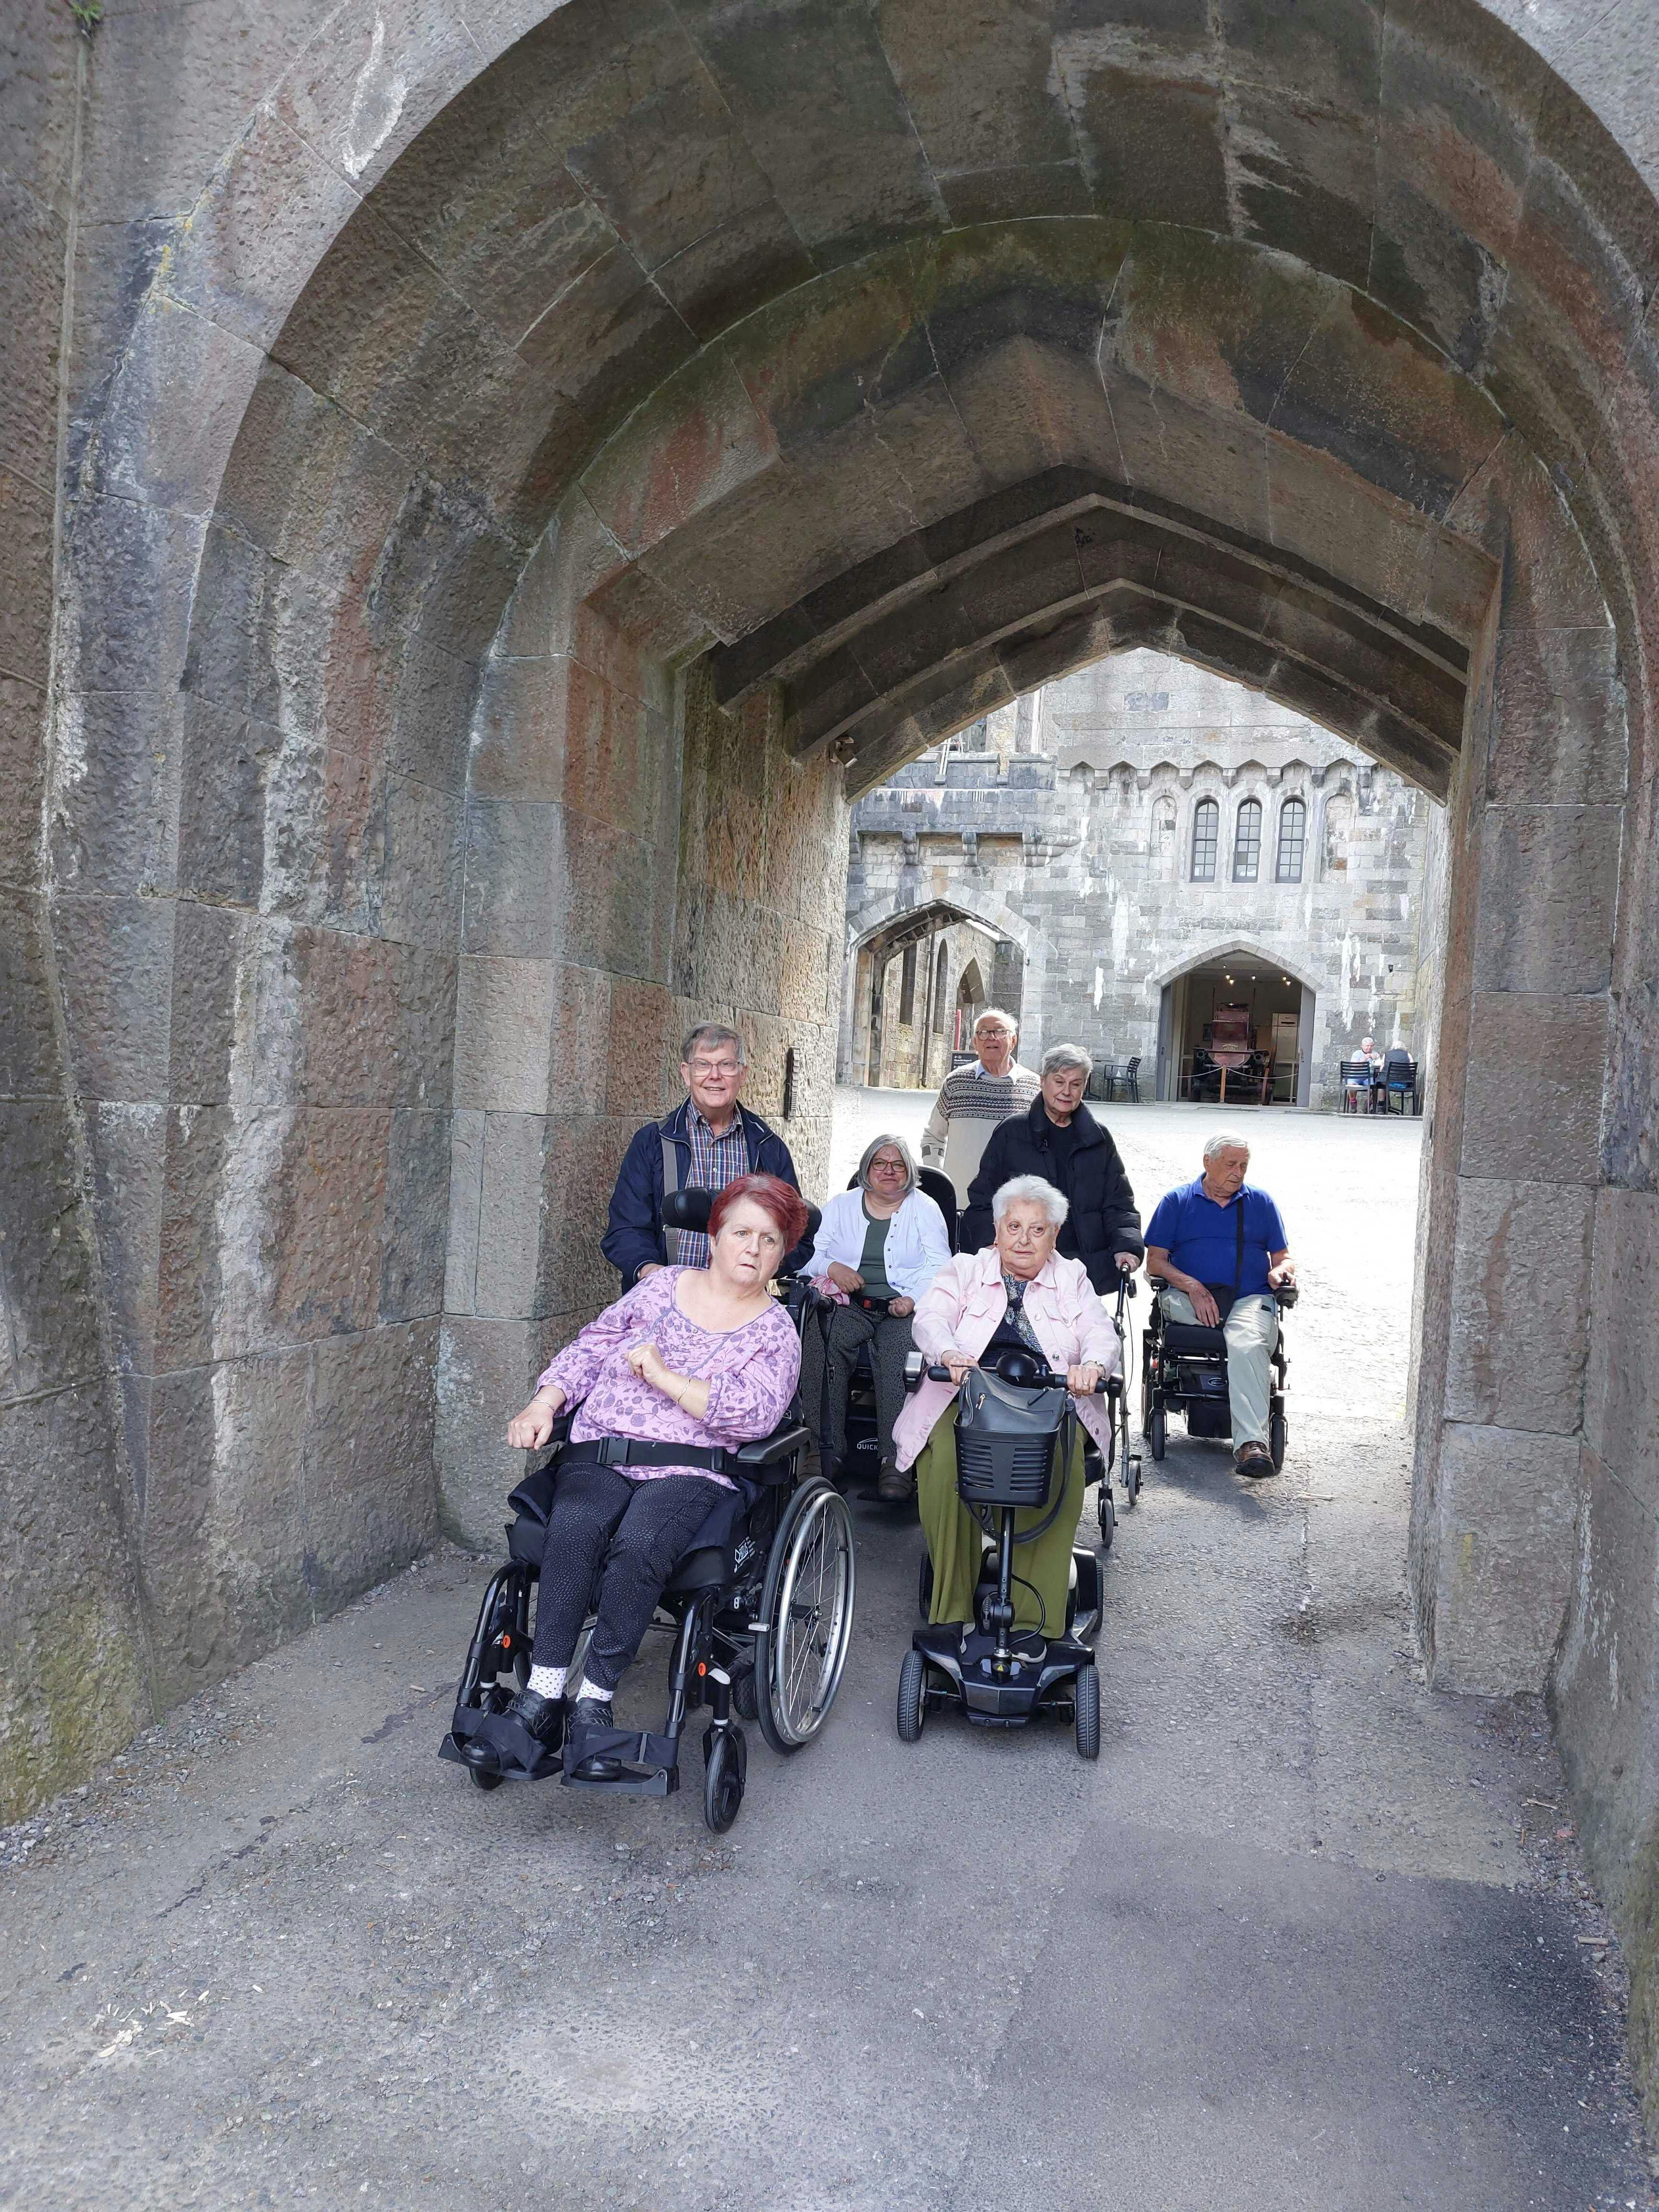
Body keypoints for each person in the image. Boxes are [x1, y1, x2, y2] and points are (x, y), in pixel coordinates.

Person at [479, 1173, 808, 1779]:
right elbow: (592, 1345)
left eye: (769, 1239)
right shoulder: (658, 1292)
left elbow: (756, 1412)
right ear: (714, 1236)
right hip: (605, 1449)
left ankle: (594, 1702)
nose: (753, 1249)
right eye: (742, 1232)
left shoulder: (775, 1331)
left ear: (782, 1252)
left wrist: (662, 1377)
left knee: (642, 1543)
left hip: (693, 1467)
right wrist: (544, 1404)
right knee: (575, 1524)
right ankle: (544, 1692)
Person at [892, 1177, 1118, 1659]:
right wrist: (949, 1351)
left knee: (1057, 1465)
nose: (1023, 1239)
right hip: (971, 1395)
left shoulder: (1071, 1277)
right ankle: (952, 1612)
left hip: (1049, 1400)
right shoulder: (966, 1269)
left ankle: (1033, 1624)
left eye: (1038, 1230)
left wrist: (1092, 1367)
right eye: (1014, 1226)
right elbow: (930, 1316)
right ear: (996, 1230)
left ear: (1054, 1236)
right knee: (946, 1462)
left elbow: (1101, 1331)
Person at [799, 1133, 951, 1503]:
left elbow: (942, 1266)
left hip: (902, 1310)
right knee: (822, 1338)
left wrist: (912, 1299)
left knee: (899, 1356)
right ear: (866, 1169)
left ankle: (896, 1461)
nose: (888, 1171)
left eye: (897, 1164)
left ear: (909, 1172)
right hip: (852, 1304)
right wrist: (834, 1268)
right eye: (879, 1164)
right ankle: (826, 1450)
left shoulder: (926, 1208)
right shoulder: (841, 1206)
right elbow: (808, 1255)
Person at [602, 1022, 803, 1287]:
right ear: (686, 1074)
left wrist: (761, 1268)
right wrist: (652, 1273)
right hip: (668, 1301)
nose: (715, 1075)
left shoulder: (767, 1147)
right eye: (703, 1065)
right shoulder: (652, 1142)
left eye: (726, 1065)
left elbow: (797, 1233)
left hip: (739, 1304)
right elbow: (625, 1228)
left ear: (742, 1074)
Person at [1143, 1132, 1296, 1478]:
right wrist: (1192, 1286)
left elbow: (1284, 1257)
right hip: (1187, 1298)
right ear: (1207, 1162)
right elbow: (1155, 1262)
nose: (1238, 1172)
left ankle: (1251, 1444)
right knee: (1222, 1326)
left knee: (1246, 1340)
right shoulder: (1177, 1201)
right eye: (1230, 1164)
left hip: (1248, 1298)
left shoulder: (1261, 1202)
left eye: (1244, 1165)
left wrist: (1281, 1273)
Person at [961, 1042, 1143, 1291]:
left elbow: (1119, 1202)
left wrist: (1127, 1246)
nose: (1066, 1092)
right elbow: (982, 1199)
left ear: (1084, 1086)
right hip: (1024, 1262)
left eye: (1075, 1084)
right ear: (1043, 1081)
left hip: (1084, 1266)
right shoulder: (1011, 1133)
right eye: (1059, 1082)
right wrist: (990, 1244)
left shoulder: (1098, 1139)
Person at [920, 1007, 1040, 1207]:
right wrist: (939, 1179)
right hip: (961, 1205)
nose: (991, 1038)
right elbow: (932, 1137)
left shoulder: (1034, 1087)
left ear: (1014, 1041)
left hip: (1016, 1209)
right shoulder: (956, 1083)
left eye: (1000, 1031)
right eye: (983, 1033)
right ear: (975, 1042)